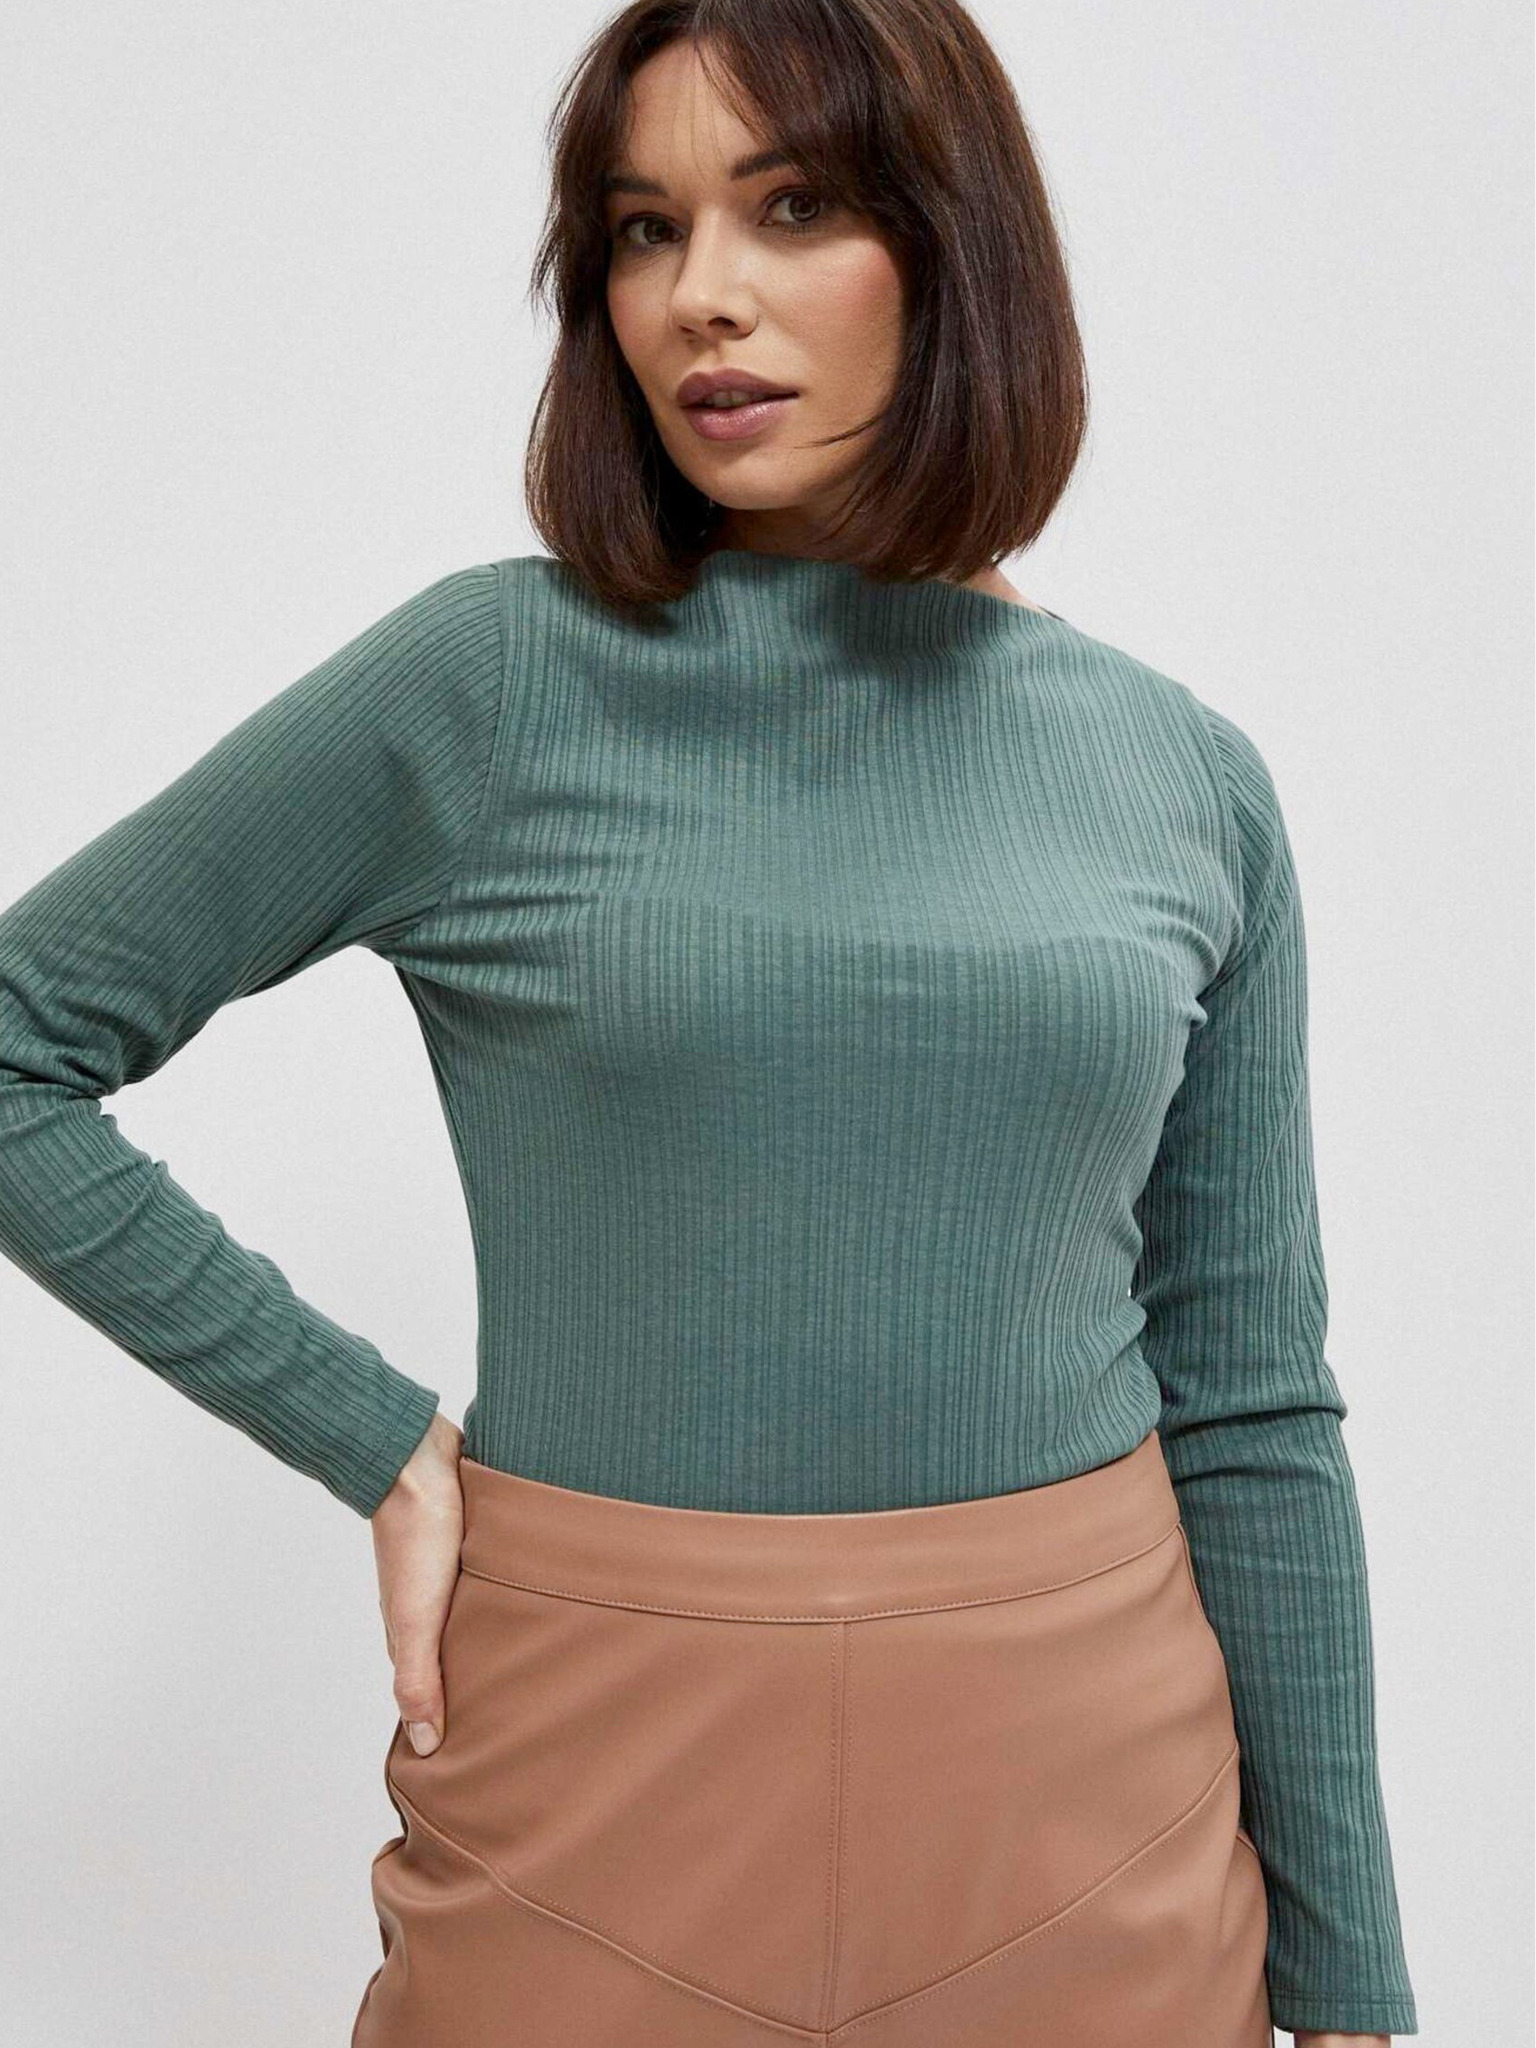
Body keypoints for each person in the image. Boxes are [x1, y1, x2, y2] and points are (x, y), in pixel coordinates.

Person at [0, 3, 1418, 2044]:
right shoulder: (492, 686)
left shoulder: (1179, 778)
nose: (700, 299)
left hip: (1088, 1806)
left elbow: (1254, 1399)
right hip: (594, 1777)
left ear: (953, 250)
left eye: (793, 208)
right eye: (644, 230)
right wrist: (370, 1437)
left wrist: (1354, 1979)